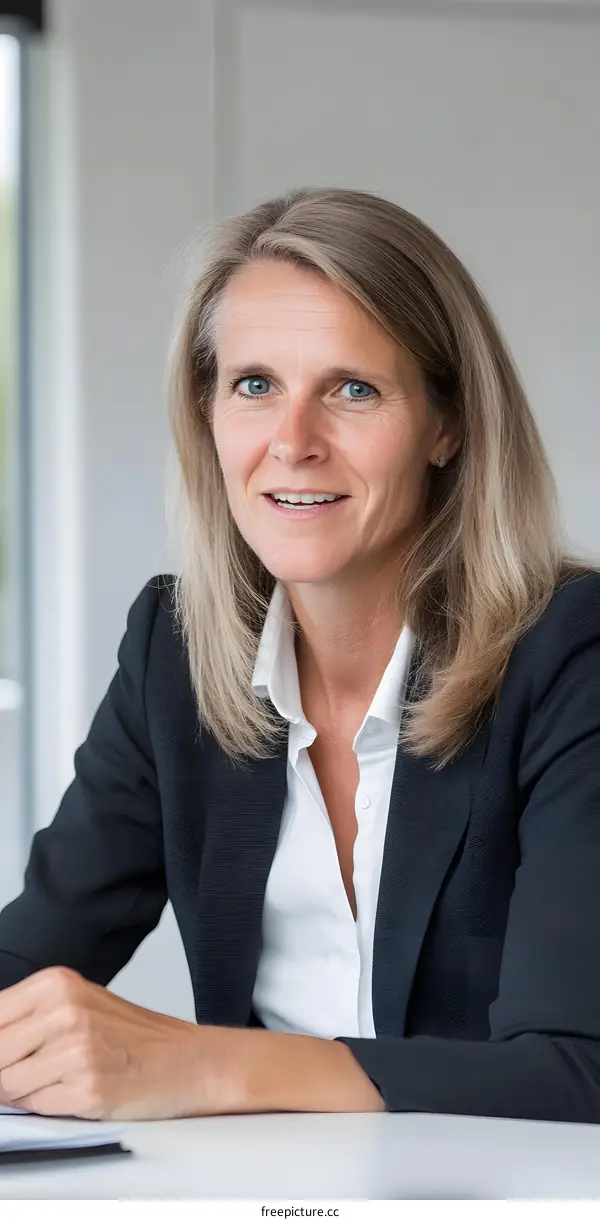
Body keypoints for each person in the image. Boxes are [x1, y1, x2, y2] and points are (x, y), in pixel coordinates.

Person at [0, 187, 599, 1126]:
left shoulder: (573, 652)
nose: (292, 442)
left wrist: (205, 1068)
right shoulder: (178, 648)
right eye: (254, 386)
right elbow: (24, 969)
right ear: (207, 416)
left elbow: (577, 1072)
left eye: (353, 389)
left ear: (448, 426)